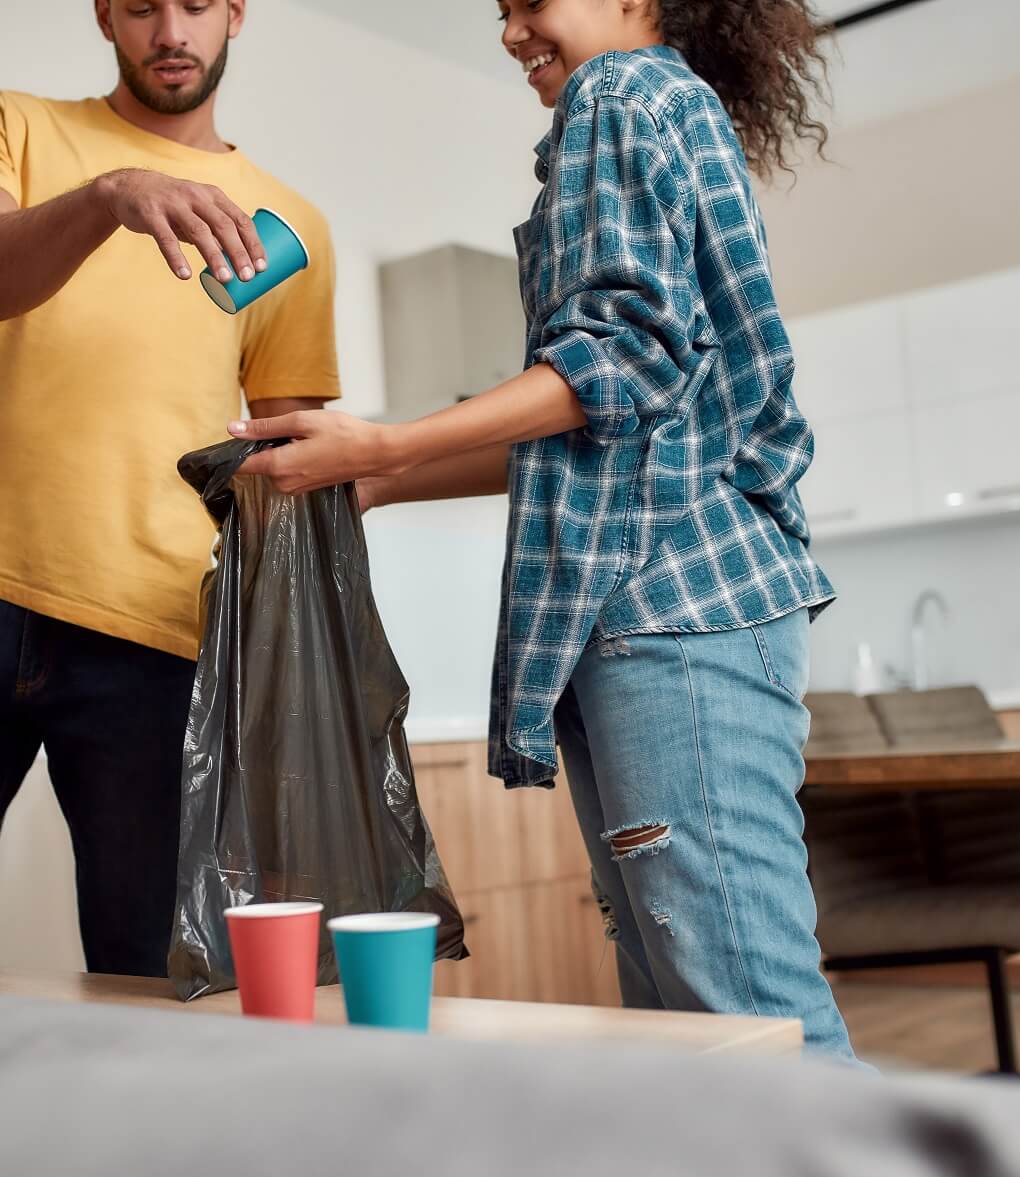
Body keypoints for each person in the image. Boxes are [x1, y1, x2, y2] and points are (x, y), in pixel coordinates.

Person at [231, 0, 856, 1059]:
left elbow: (617, 359)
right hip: (677, 614)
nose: (512, 30)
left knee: (750, 1023)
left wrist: (385, 446)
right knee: (694, 1033)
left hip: (675, 613)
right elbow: (610, 421)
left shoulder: (619, 96)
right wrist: (380, 479)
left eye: (531, 0)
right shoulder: (664, 107)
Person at [0, 0, 339, 976]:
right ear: (104, 16)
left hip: (158, 627)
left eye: (197, 5)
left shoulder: (292, 229)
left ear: (236, 13)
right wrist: (105, 197)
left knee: (150, 965)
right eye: (142, 6)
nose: (171, 30)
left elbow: (292, 463)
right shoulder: (5, 125)